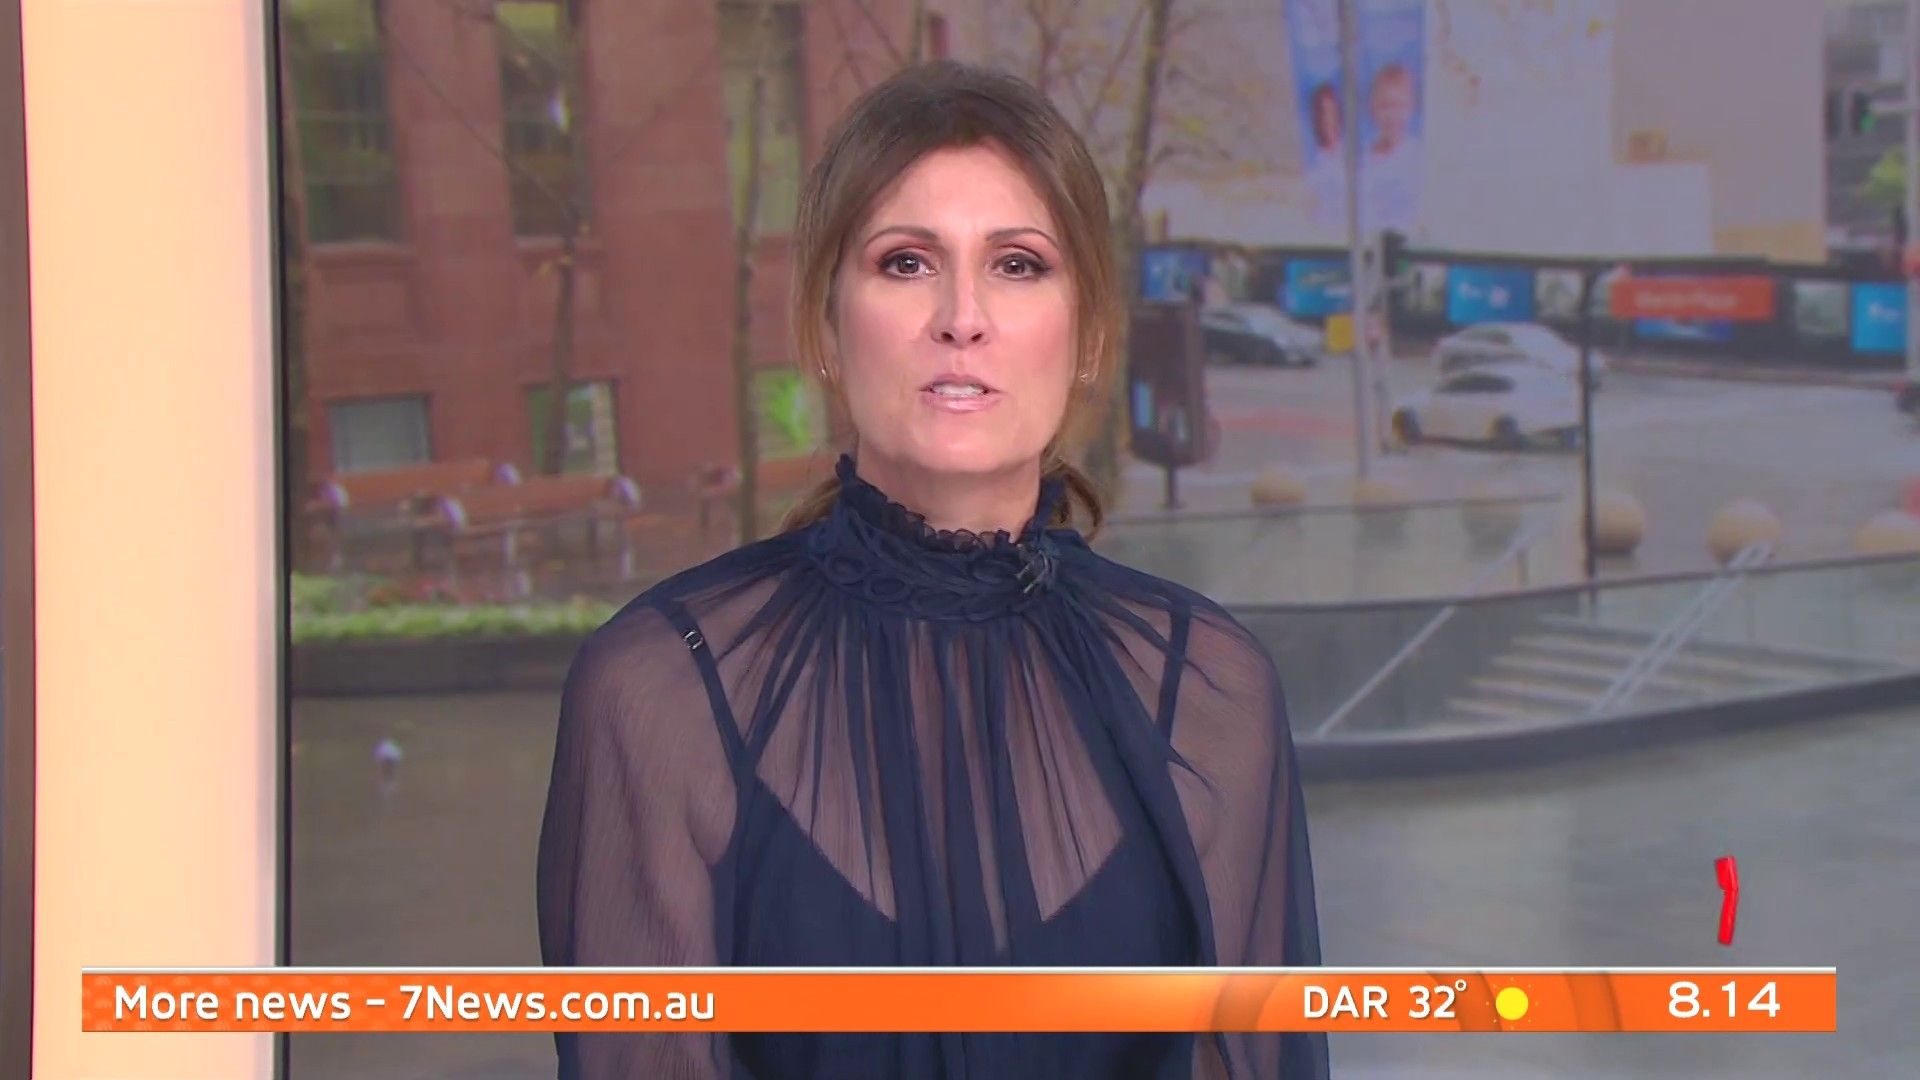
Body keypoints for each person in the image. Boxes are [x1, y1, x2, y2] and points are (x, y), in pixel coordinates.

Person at [537, 60, 1328, 1080]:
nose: (963, 316)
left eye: (1019, 264)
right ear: (826, 326)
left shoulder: (1208, 688)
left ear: (1088, 335)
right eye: (907, 262)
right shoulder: (661, 691)